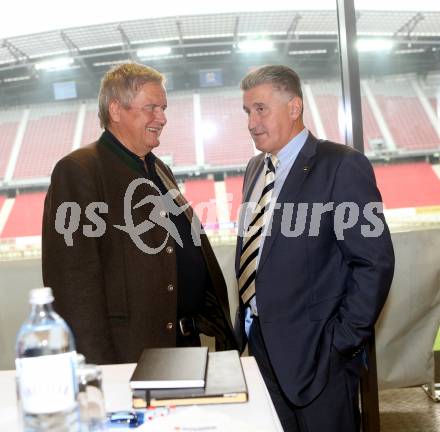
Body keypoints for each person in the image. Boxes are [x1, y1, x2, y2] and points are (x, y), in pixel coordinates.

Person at [42, 62, 237, 365]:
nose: (162, 118)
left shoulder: (158, 167)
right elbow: (73, 287)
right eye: (151, 108)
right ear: (116, 110)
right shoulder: (80, 170)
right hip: (128, 358)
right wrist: (101, 373)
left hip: (182, 347)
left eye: (163, 108)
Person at [235, 65, 395, 432]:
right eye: (247, 111)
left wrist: (341, 343)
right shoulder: (254, 168)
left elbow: (374, 263)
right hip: (261, 347)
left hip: (319, 356)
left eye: (261, 109)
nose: (251, 122)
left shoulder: (342, 164)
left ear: (294, 108)